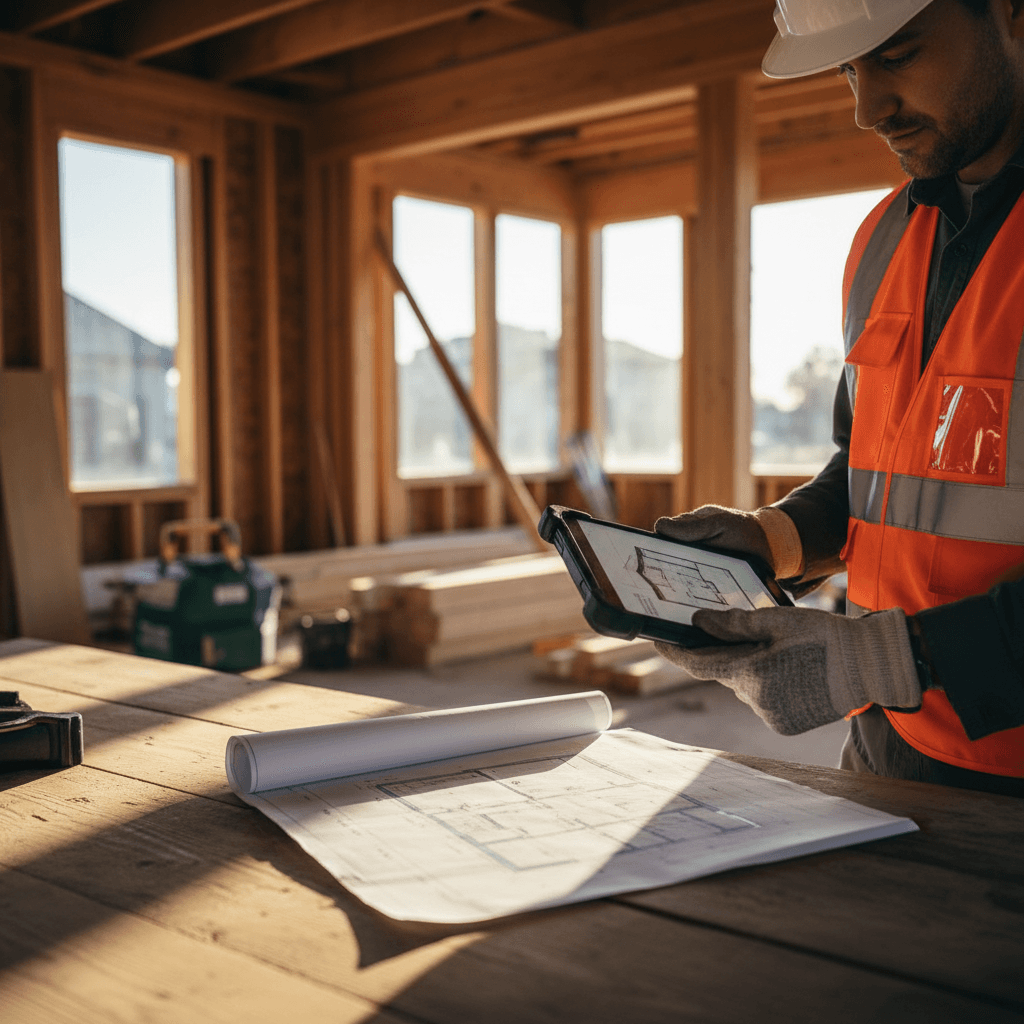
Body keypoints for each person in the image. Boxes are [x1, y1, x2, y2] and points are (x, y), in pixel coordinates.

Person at [655, 0, 1024, 795]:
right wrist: (773, 541)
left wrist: (889, 658)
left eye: (896, 55)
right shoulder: (882, 239)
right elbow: (874, 469)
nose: (868, 109)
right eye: (850, 72)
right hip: (888, 748)